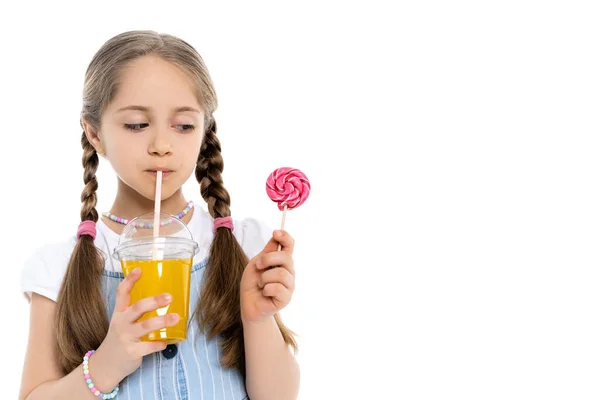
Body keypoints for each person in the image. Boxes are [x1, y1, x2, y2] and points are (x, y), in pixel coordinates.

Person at [18, 30, 300, 400]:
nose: (162, 146)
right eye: (137, 124)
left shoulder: (244, 247)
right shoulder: (59, 266)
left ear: (204, 131)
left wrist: (257, 319)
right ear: (94, 133)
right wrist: (106, 364)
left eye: (183, 126)